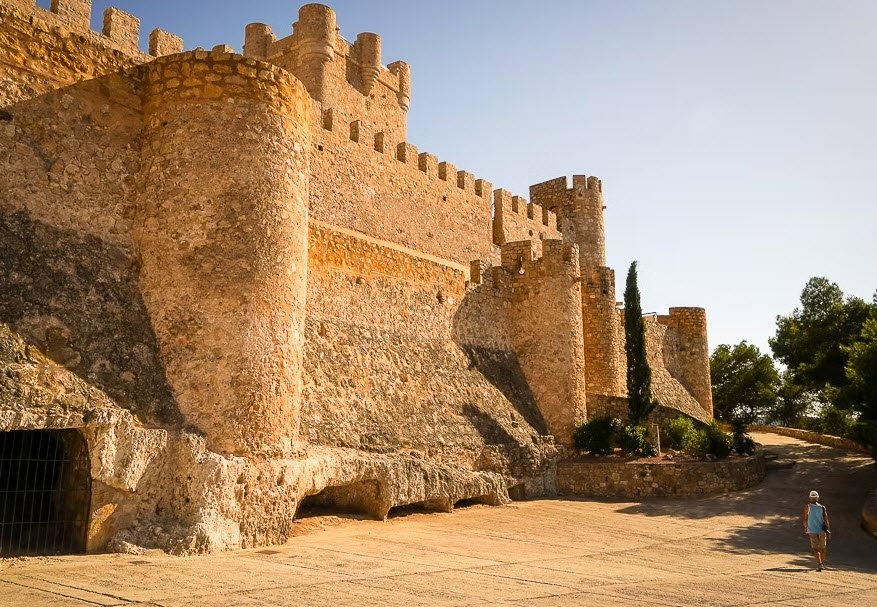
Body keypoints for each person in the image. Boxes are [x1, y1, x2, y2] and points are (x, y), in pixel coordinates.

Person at [802, 490, 831, 571]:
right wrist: (828, 531)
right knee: (822, 549)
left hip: (812, 530)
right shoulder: (822, 507)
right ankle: (821, 564)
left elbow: (805, 519)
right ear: (818, 497)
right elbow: (826, 520)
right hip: (821, 531)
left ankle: (820, 564)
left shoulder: (807, 507)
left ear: (810, 498)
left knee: (816, 549)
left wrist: (805, 528)